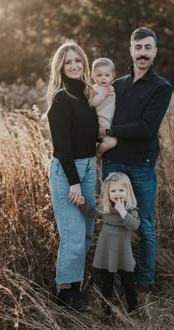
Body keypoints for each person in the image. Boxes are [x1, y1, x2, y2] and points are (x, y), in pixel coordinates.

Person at [101, 27, 173, 291]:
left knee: (144, 226)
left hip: (141, 165)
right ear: (130, 51)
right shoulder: (116, 85)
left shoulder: (161, 87)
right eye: (138, 47)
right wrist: (104, 138)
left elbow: (146, 128)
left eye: (147, 48)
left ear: (154, 52)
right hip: (112, 164)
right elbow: (105, 116)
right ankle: (118, 278)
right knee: (114, 222)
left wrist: (112, 133)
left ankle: (145, 281)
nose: (142, 53)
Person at [46, 41, 99, 310]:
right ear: (61, 67)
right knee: (74, 235)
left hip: (89, 167)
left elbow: (88, 134)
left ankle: (75, 285)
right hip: (67, 172)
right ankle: (64, 292)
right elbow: (63, 147)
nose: (75, 65)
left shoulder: (89, 96)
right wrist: (74, 183)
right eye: (68, 62)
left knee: (88, 232)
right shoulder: (60, 99)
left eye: (78, 60)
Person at [77, 172, 140, 320]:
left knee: (128, 282)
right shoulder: (105, 208)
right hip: (106, 250)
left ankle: (134, 310)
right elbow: (92, 213)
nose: (117, 194)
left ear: (128, 192)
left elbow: (135, 225)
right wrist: (80, 203)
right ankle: (107, 313)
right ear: (108, 193)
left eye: (121, 190)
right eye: (113, 191)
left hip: (122, 252)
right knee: (106, 284)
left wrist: (122, 211)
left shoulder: (130, 209)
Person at [90, 58, 117, 155]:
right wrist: (103, 95)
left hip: (108, 124)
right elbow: (92, 103)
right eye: (99, 75)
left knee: (112, 142)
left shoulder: (112, 88)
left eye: (107, 75)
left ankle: (98, 151)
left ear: (113, 76)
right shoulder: (94, 89)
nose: (103, 78)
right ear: (93, 76)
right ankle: (93, 151)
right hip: (99, 123)